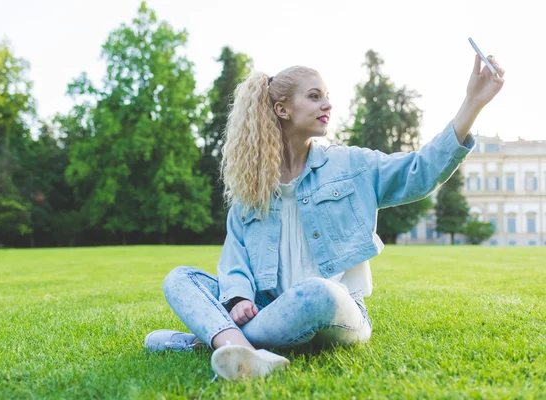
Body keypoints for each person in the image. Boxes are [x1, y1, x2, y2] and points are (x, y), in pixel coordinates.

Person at [145, 54, 505, 381]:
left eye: (327, 95)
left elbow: (420, 171)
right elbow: (233, 260)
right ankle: (246, 353)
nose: (328, 104)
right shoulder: (252, 186)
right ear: (282, 110)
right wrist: (238, 299)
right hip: (266, 309)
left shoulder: (350, 164)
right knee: (180, 279)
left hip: (335, 309)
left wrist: (472, 103)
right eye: (315, 96)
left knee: (317, 292)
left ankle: (210, 339)